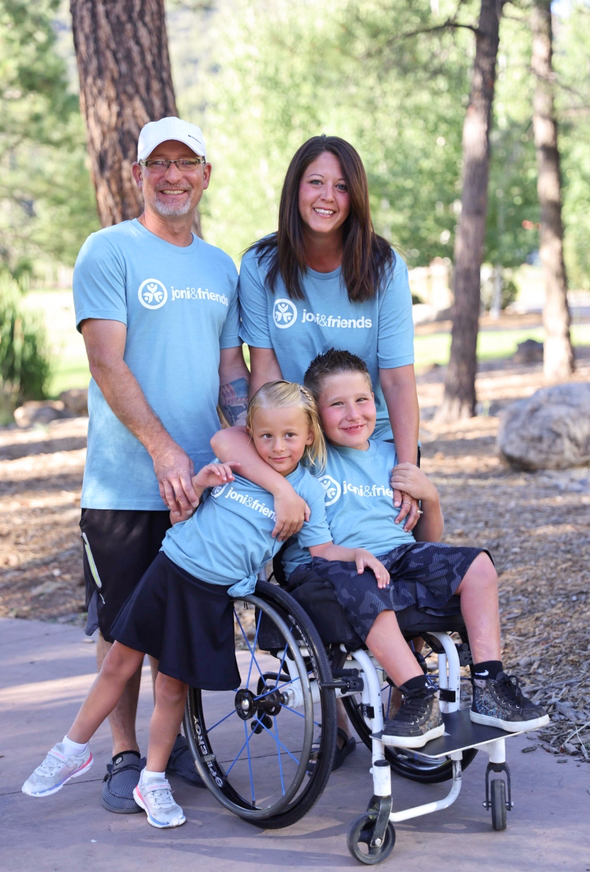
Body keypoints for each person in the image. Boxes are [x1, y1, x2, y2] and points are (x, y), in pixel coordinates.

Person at [22, 381, 388, 828]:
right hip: (168, 571)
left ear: (309, 435)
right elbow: (181, 515)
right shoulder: (236, 467)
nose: (276, 447)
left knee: (172, 689)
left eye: (289, 436)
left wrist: (358, 554)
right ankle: (71, 750)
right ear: (251, 434)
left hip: (212, 595)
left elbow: (322, 550)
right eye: (265, 436)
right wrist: (199, 481)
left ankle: (152, 780)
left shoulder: (306, 492)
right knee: (118, 663)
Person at [213, 351, 549, 749]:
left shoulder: (394, 455)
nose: (353, 414)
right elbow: (226, 438)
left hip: (399, 557)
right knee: (362, 582)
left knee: (477, 565)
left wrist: (432, 499)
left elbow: (427, 542)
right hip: (330, 564)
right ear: (313, 419)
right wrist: (283, 489)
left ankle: (491, 685)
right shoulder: (307, 454)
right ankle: (418, 694)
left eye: (362, 400)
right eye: (337, 404)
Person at [72, 116, 255, 812]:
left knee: (177, 625)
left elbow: (228, 370)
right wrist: (162, 448)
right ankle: (122, 755)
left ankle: (166, 747)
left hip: (204, 487)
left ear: (206, 174)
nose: (173, 176)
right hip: (125, 485)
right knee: (122, 629)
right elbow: (105, 361)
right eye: (159, 164)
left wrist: (244, 446)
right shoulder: (109, 250)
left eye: (187, 163)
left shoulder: (219, 267)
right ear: (138, 174)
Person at [239, 134, 421, 530]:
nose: (328, 196)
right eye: (316, 182)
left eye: (342, 186)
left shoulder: (386, 267)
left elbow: (396, 379)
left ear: (355, 196)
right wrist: (265, 459)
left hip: (368, 442)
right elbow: (265, 372)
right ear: (295, 189)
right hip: (296, 442)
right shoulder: (260, 265)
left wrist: (407, 470)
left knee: (391, 559)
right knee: (307, 567)